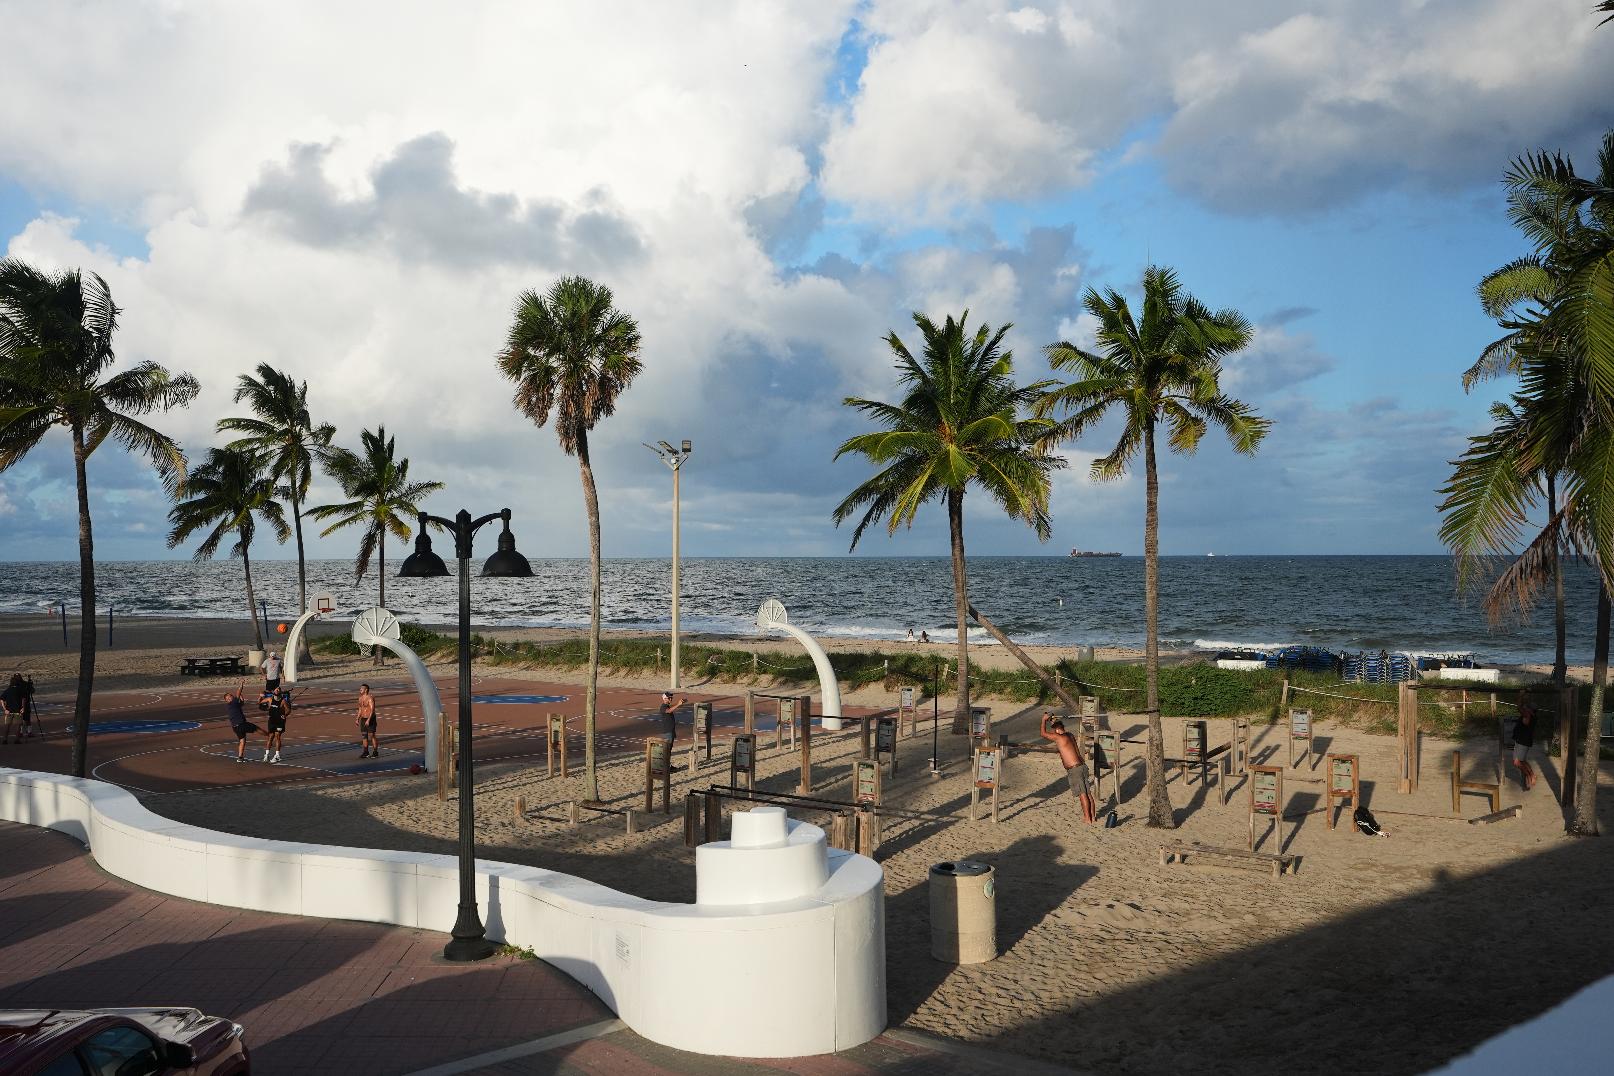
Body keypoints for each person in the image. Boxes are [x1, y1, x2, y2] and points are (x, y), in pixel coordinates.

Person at [1040, 711, 1096, 824]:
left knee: (1082, 794)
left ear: (1056, 730)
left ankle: (1087, 818)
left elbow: (1043, 733)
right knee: (1088, 793)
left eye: (1053, 730)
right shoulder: (1070, 735)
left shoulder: (1059, 737)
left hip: (1074, 769)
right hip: (1082, 766)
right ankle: (1093, 817)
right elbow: (1056, 725)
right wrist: (1052, 719)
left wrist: (1043, 720)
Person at [224, 679, 259, 763]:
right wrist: (241, 684)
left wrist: (241, 697)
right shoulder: (232, 703)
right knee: (257, 729)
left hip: (235, 727)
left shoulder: (234, 704)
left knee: (242, 741)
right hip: (241, 724)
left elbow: (242, 703)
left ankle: (240, 757)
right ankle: (269, 736)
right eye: (229, 697)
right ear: (227, 700)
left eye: (231, 696)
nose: (231, 697)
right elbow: (238, 692)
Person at [259, 684, 292, 763]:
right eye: (276, 689)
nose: (277, 690)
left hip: (280, 721)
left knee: (277, 736)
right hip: (271, 721)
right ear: (273, 691)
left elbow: (288, 710)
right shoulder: (270, 699)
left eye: (278, 689)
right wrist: (260, 696)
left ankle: (277, 755)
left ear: (280, 691)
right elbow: (259, 702)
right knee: (270, 737)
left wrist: (285, 715)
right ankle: (266, 755)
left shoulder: (283, 701)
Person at [1512, 692, 1537, 791]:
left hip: (1523, 741)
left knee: (1517, 762)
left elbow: (1520, 709)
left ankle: (1530, 775)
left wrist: (1520, 698)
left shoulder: (1528, 716)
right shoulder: (1528, 715)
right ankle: (1531, 775)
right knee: (1519, 761)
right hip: (1519, 740)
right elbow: (1521, 710)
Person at [1, 674, 26, 745]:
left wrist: (5, 709)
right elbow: (23, 699)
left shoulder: (7, 690)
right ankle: (17, 740)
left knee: (7, 726)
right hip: (18, 711)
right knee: (18, 726)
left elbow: (1, 699)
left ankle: (5, 740)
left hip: (9, 711)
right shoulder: (20, 690)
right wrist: (23, 707)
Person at [356, 683, 378, 758]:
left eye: (361, 689)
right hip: (363, 719)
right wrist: (357, 718)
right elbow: (360, 709)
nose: (360, 690)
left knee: (372, 735)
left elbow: (372, 710)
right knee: (364, 735)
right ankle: (366, 752)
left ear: (366, 690)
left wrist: (368, 720)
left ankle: (375, 752)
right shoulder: (360, 698)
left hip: (370, 718)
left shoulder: (370, 698)